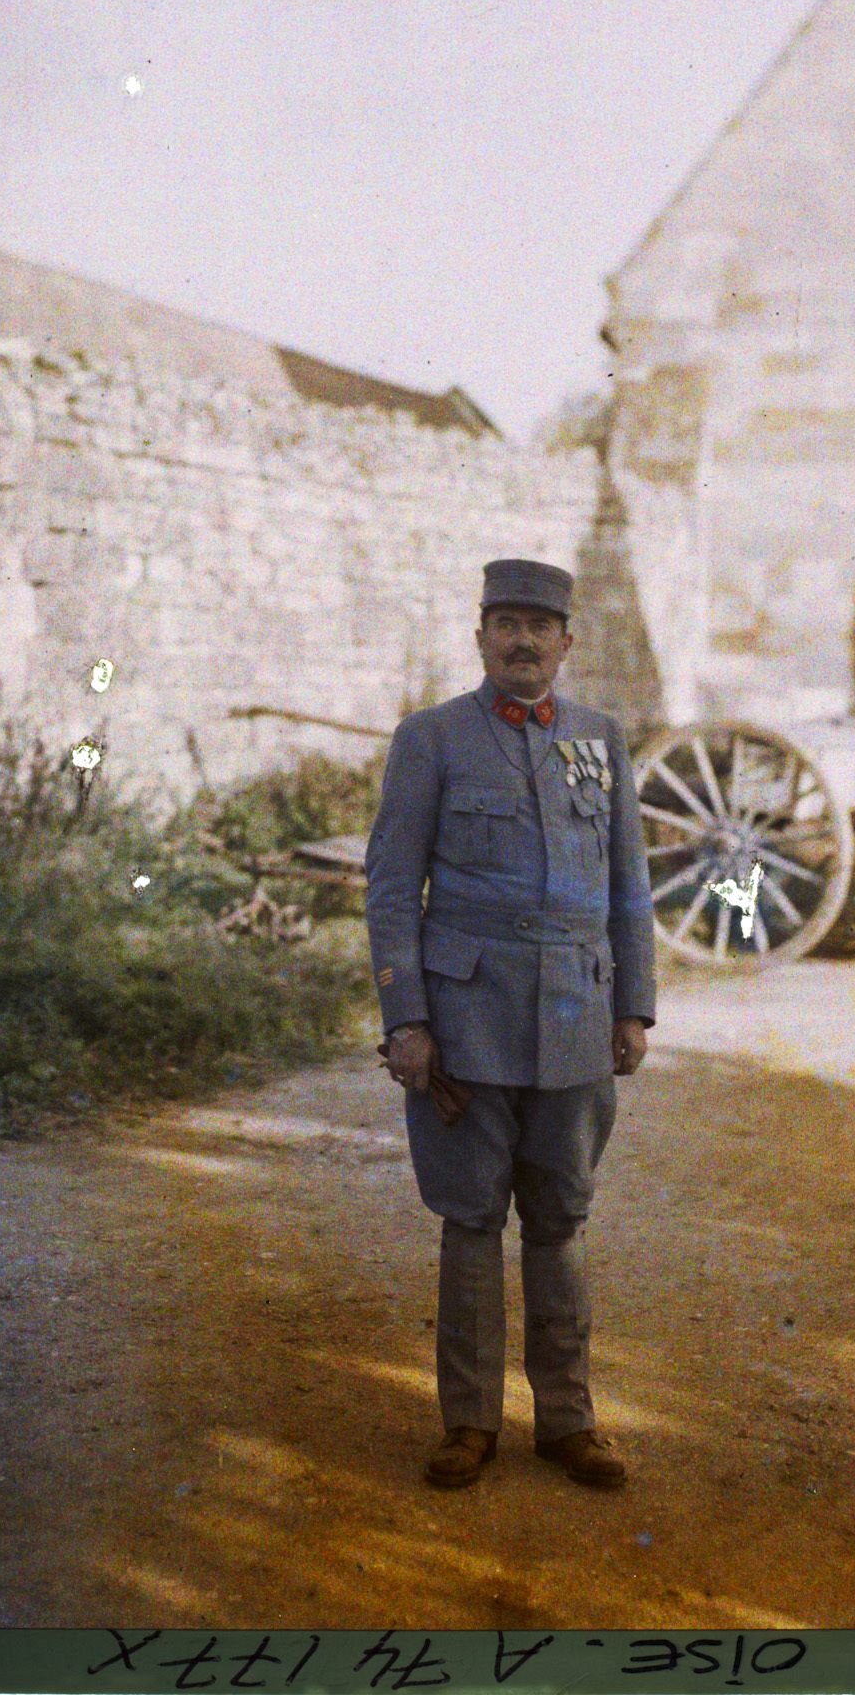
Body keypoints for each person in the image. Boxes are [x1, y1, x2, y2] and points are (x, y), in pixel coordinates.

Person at [364, 557, 656, 1490]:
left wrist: (633, 1005)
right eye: (505, 623)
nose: (522, 640)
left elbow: (628, 888)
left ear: (567, 643)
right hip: (467, 1015)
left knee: (562, 1219)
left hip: (575, 1011)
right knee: (470, 1218)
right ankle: (468, 1424)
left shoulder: (601, 739)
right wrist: (406, 1018)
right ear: (480, 634)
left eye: (540, 625)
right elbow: (387, 890)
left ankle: (568, 1421)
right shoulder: (431, 739)